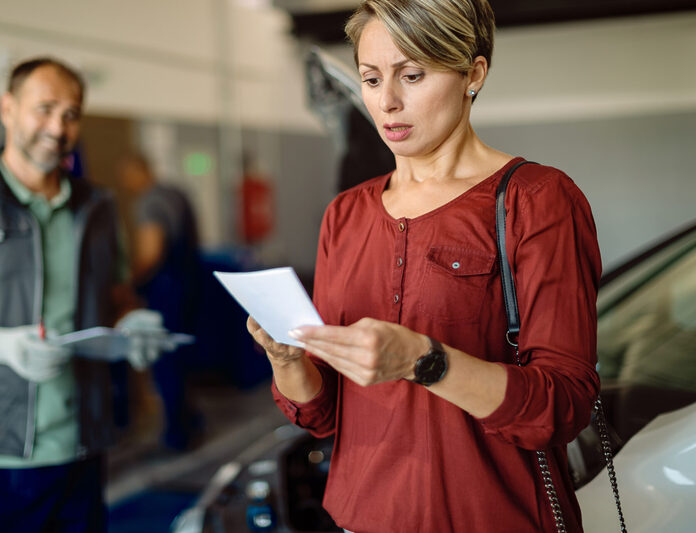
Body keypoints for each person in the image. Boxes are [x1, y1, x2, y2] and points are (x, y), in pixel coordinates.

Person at [246, 1, 602, 531]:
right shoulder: (345, 215)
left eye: (412, 75)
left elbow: (563, 404)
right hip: (362, 518)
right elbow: (324, 415)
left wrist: (425, 361)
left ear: (472, 74)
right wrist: (288, 360)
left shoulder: (535, 200)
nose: (387, 102)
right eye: (370, 78)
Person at [0, 57, 165, 532]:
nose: (57, 127)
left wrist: (130, 323)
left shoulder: (98, 206)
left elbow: (117, 294)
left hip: (80, 452)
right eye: (44, 109)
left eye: (71, 113)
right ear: (7, 108)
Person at [118, 153, 203, 451]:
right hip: (191, 283)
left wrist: (128, 285)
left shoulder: (149, 202)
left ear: (134, 171)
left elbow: (151, 252)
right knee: (182, 356)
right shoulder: (176, 193)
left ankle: (176, 436)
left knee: (166, 361)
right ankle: (191, 421)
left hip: (166, 289)